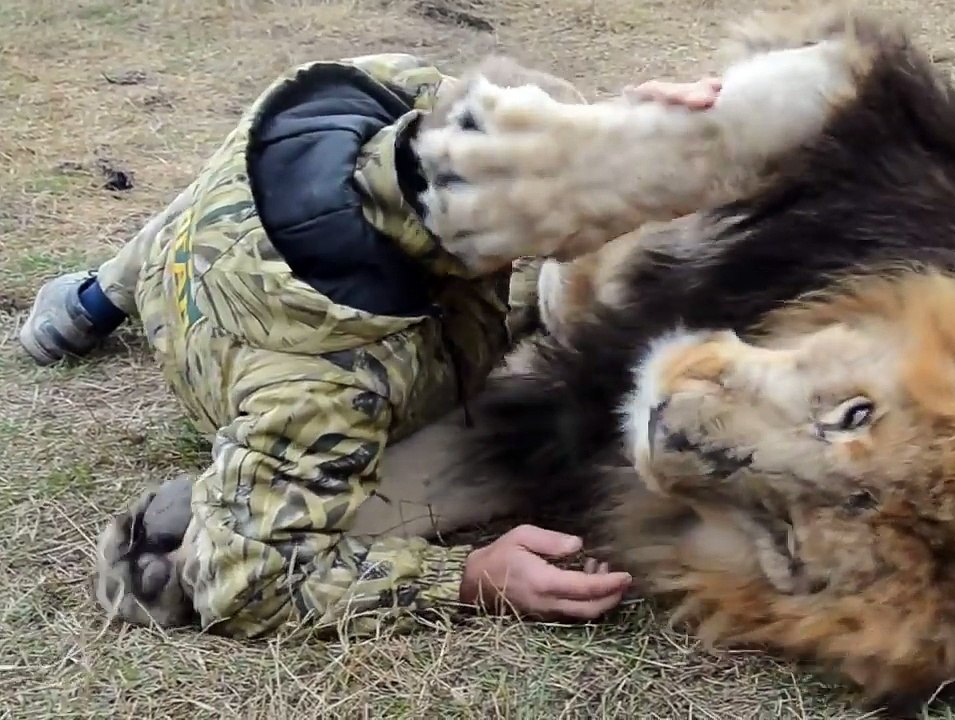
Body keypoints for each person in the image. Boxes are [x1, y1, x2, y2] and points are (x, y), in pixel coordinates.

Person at [17, 52, 720, 638]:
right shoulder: (326, 386)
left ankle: (93, 299)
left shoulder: (378, 86)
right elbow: (248, 584)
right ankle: (201, 512)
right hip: (248, 340)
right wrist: (469, 579)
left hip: (221, 222)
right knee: (509, 373)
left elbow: (501, 135)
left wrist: (620, 130)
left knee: (220, 199)